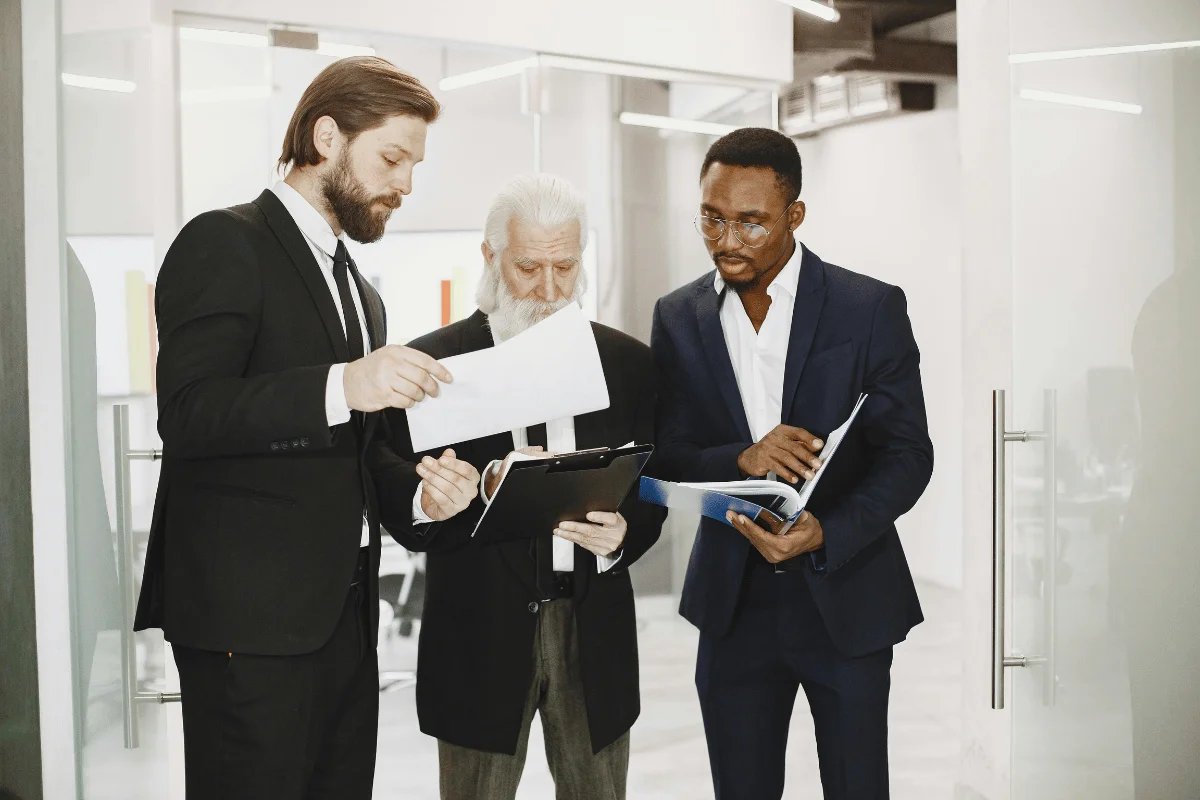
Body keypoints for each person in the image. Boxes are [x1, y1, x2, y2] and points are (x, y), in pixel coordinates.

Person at [133, 57, 481, 799]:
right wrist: (342, 384)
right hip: (249, 630)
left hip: (347, 625)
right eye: (393, 157)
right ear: (327, 136)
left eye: (415, 165)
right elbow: (189, 413)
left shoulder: (363, 294)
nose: (406, 184)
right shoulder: (224, 242)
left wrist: (423, 497)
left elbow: (364, 454)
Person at [651, 128, 933, 800]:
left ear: (794, 215)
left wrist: (827, 529)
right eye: (712, 218)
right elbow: (661, 457)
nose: (727, 239)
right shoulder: (677, 316)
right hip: (731, 604)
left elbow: (908, 455)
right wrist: (739, 457)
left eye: (751, 222)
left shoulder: (869, 308)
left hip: (847, 596)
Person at [379, 173, 665, 800]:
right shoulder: (436, 366)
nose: (549, 289)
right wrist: (431, 498)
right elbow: (391, 491)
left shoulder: (629, 365)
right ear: (490, 257)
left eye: (565, 267)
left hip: (593, 635)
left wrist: (622, 536)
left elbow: (650, 493)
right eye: (529, 267)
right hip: (479, 634)